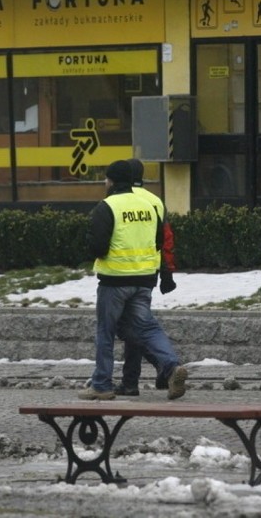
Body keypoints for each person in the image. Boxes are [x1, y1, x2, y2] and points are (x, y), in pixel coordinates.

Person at [79, 159, 187, 401]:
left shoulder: (108, 206)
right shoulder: (149, 204)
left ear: (112, 181)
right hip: (145, 279)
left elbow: (97, 245)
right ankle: (170, 366)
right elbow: (160, 241)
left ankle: (101, 384)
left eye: (106, 179)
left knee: (106, 332)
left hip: (115, 280)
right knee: (145, 326)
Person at [113, 158, 177, 396]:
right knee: (136, 324)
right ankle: (131, 381)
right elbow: (165, 239)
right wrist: (167, 271)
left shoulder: (117, 199)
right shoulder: (155, 201)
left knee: (129, 326)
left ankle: (166, 367)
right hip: (148, 272)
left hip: (119, 273)